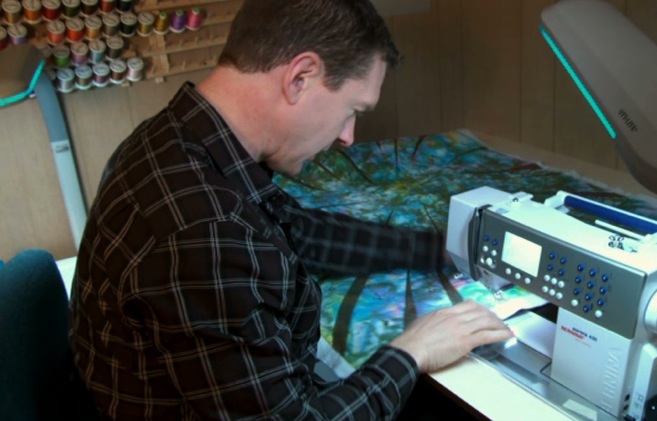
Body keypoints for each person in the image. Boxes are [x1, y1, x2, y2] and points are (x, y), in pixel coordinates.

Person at [69, 0, 514, 419]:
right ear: (300, 77)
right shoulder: (206, 230)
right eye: (352, 110)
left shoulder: (176, 140)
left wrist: (436, 249)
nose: (348, 137)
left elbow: (299, 231)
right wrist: (411, 351)